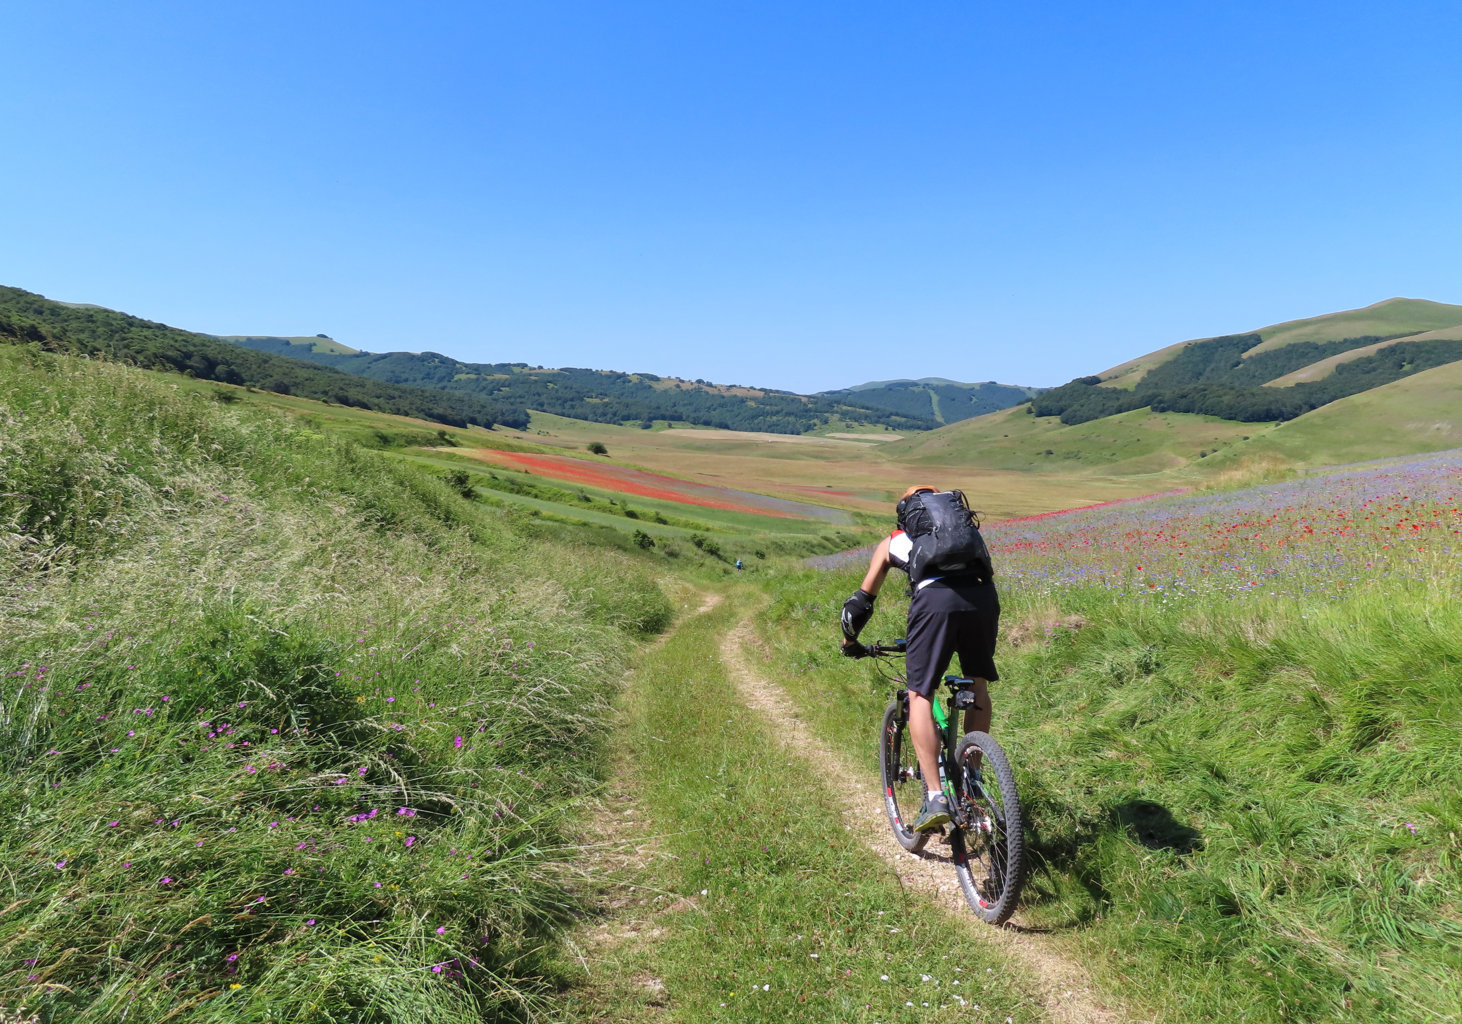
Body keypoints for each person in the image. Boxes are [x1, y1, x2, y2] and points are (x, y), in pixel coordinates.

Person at [840, 485, 999, 833]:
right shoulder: (964, 533)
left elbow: (859, 605)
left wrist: (850, 640)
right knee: (978, 684)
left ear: (907, 513)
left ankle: (936, 796)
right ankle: (973, 777)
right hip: (982, 598)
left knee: (920, 695)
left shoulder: (896, 541)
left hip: (935, 604)